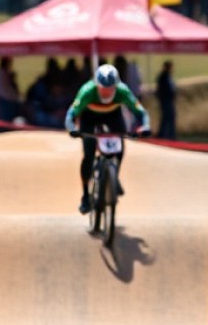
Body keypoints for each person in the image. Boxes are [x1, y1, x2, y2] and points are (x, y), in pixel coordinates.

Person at [65, 63, 151, 214]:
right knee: (89, 154)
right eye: (103, 89)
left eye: (110, 88)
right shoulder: (87, 92)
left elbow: (141, 112)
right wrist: (72, 129)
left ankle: (113, 176)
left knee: (120, 144)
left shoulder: (122, 91)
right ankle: (85, 195)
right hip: (89, 118)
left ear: (116, 86)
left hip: (113, 116)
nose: (106, 93)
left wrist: (145, 126)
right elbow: (71, 114)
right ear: (96, 85)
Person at [155, 60, 177, 139]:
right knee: (166, 117)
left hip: (169, 100)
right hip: (165, 100)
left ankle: (169, 134)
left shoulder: (168, 76)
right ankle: (164, 134)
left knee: (170, 117)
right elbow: (161, 89)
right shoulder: (163, 76)